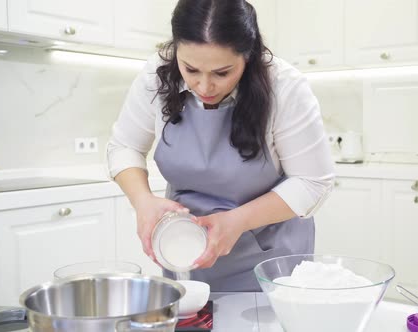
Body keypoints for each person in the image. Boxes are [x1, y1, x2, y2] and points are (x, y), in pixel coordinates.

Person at [107, 0, 335, 292]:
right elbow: (124, 146)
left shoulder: (285, 87)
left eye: (222, 73)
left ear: (248, 56)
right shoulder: (158, 74)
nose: (204, 86)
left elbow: (313, 182)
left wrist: (237, 221)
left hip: (269, 262)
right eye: (190, 69)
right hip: (184, 254)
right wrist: (142, 202)